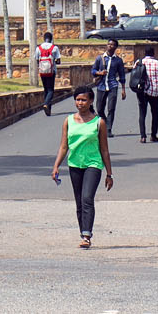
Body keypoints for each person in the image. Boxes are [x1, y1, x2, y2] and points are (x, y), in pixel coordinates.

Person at [51, 85, 113, 249]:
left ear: (91, 101)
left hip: (93, 164)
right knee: (79, 202)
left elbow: (105, 149)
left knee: (87, 198)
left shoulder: (99, 122)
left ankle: (87, 235)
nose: (80, 103)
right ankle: (83, 232)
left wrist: (109, 174)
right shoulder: (69, 121)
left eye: (84, 100)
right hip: (74, 164)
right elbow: (64, 146)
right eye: (77, 100)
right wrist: (56, 166)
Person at [129, 45, 158, 142]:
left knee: (142, 113)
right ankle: (153, 135)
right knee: (154, 114)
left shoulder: (139, 62)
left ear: (145, 53)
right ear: (153, 53)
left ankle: (143, 136)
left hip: (141, 91)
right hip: (153, 92)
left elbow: (134, 74)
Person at [91, 41, 127, 135]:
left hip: (113, 86)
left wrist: (123, 89)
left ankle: (108, 129)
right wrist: (99, 73)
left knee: (111, 108)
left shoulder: (118, 60)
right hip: (101, 86)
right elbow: (93, 70)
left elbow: (122, 75)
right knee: (99, 109)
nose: (110, 46)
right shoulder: (100, 58)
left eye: (112, 45)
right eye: (109, 44)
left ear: (115, 47)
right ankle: (105, 122)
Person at [35, 32, 62, 115]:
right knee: (50, 90)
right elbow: (58, 60)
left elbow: (36, 59)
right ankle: (46, 104)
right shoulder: (54, 48)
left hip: (42, 71)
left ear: (44, 38)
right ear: (51, 39)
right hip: (51, 71)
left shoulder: (38, 48)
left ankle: (48, 110)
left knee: (46, 89)